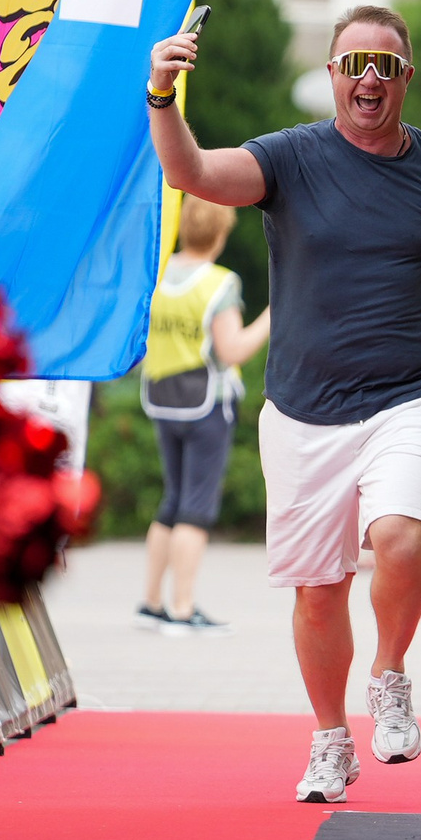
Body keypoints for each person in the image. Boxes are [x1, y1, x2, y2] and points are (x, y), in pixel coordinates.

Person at [147, 1, 421, 805]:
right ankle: (329, 738)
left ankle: (389, 672)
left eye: (385, 66)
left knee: (399, 536)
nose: (369, 80)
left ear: (405, 79)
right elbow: (192, 174)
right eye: (354, 65)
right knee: (319, 592)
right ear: (332, 76)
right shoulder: (289, 158)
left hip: (410, 394)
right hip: (304, 408)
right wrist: (161, 95)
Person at [137, 196, 271, 633]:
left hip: (162, 398)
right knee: (196, 506)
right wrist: (273, 317)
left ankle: (151, 602)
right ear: (219, 233)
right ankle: (182, 608)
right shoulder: (220, 283)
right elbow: (232, 349)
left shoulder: (157, 274)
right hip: (206, 403)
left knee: (172, 500)